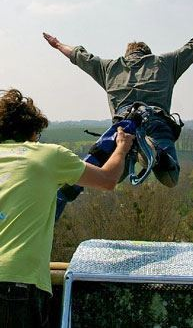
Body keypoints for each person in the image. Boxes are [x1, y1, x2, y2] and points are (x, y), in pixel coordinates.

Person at [0, 89, 134, 328]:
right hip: (16, 282)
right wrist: (122, 148)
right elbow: (108, 179)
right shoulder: (47, 156)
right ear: (33, 132)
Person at [43, 14, 193, 188]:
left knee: (113, 176)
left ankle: (127, 150)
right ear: (147, 53)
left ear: (128, 54)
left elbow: (80, 56)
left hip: (123, 127)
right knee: (170, 178)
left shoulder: (109, 68)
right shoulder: (165, 63)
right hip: (156, 121)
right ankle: (154, 152)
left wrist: (58, 44)